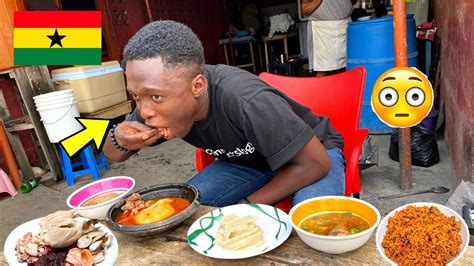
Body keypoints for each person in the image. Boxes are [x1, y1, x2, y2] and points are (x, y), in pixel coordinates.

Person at [103, 20, 345, 207]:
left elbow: (317, 164)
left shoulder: (247, 101)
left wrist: (245, 207)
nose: (144, 111)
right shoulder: (153, 100)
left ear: (197, 86)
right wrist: (120, 138)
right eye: (135, 95)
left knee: (314, 226)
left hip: (311, 152)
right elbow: (113, 154)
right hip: (250, 163)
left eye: (155, 97)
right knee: (183, 211)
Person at [301, 0, 354, 76]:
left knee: (346, 67)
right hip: (324, 31)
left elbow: (353, 2)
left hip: (345, 26)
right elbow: (304, 9)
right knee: (323, 70)